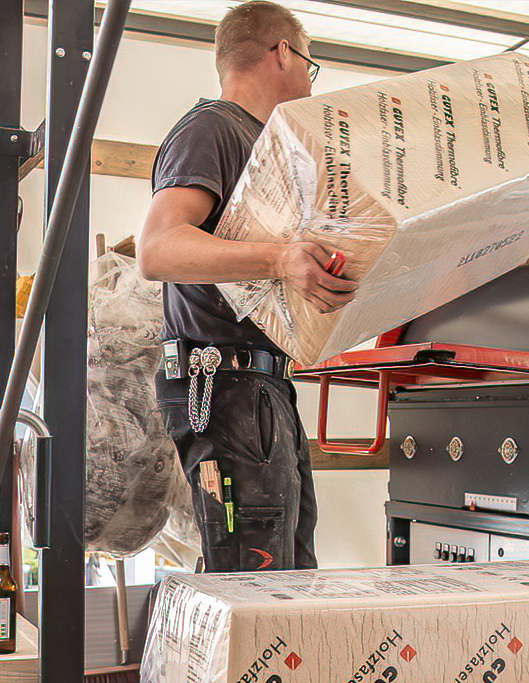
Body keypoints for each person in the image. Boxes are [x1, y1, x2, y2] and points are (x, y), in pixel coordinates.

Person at [138, 1, 355, 571]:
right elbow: (157, 249)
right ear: (281, 51)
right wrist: (284, 258)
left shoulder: (270, 148)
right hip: (228, 386)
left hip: (263, 387)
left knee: (288, 579)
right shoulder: (213, 128)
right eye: (310, 63)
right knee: (253, 582)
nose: (311, 79)